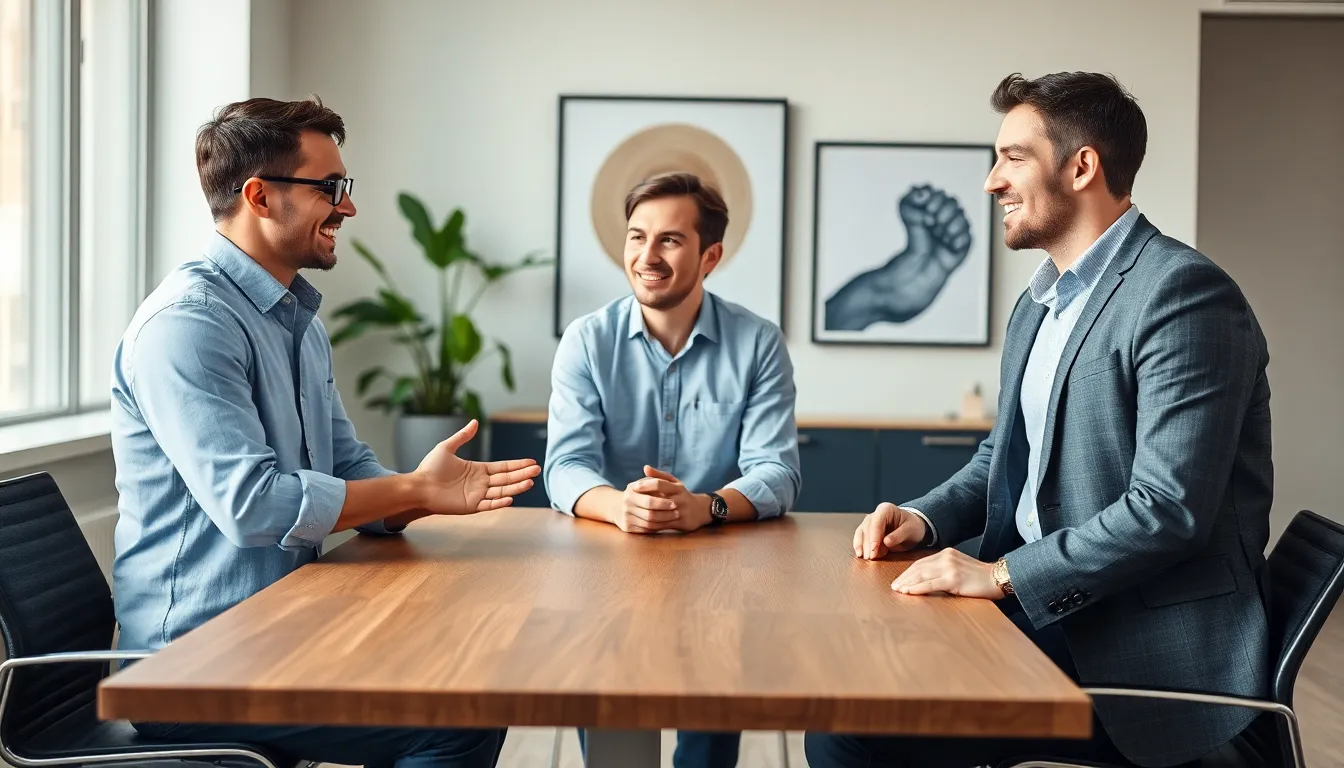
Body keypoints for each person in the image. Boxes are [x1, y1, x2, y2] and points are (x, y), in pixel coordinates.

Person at [806, 72, 1274, 768]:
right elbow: (1004, 455)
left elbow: (1167, 510)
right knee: (857, 668)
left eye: (1011, 158)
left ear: (1082, 166)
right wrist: (925, 518)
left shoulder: (1182, 294)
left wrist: (999, 577)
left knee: (851, 727)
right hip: (1055, 610)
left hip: (1142, 652)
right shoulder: (1040, 306)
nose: (992, 182)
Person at [110, 96, 540, 768]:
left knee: (474, 669)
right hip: (192, 666)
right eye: (330, 188)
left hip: (280, 631)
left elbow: (345, 462)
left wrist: (418, 495)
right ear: (259, 196)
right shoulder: (187, 327)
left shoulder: (297, 323)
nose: (348, 207)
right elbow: (254, 506)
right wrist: (412, 489)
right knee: (456, 719)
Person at [544, 171, 802, 767]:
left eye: (669, 240)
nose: (646, 256)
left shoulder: (758, 343)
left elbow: (777, 470)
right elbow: (565, 465)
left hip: (719, 569)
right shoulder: (586, 340)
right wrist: (622, 506)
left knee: (708, 745)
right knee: (616, 744)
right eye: (637, 237)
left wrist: (705, 507)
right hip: (604, 568)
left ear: (710, 255)